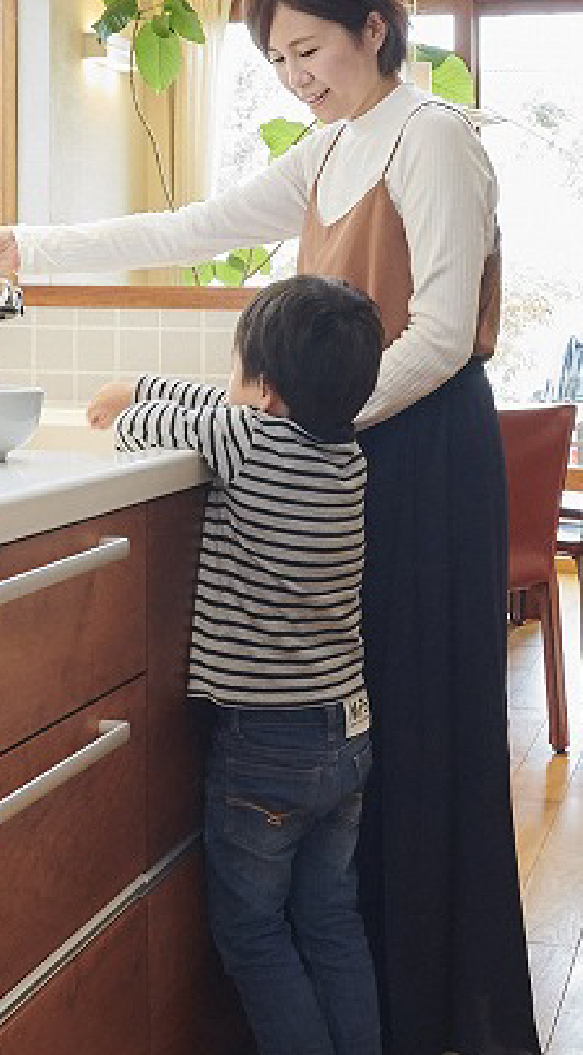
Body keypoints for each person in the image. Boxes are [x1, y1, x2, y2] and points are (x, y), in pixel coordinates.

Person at [0, 0, 540, 1055]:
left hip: (422, 461)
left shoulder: (433, 139)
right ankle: (365, 1000)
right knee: (361, 739)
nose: (298, 76)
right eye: (277, 61)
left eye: (311, 49)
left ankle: (430, 1008)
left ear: (375, 27)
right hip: (353, 455)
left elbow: (446, 337)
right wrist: (28, 243)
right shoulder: (329, 150)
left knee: (413, 729)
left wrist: (297, 423)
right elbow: (193, 226)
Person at [93, 274, 384, 1055]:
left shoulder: (246, 441)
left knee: (253, 933)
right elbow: (213, 408)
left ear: (263, 389)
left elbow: (139, 426)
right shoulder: (348, 456)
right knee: (330, 919)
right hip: (345, 731)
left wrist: (130, 395)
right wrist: (149, 383)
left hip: (265, 745)